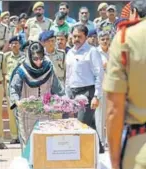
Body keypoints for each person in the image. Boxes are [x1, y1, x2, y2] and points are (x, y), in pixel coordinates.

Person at [103, 0, 146, 168]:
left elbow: (114, 110)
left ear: (133, 12)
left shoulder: (124, 38)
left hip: (139, 151)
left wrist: (115, 160)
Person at [9, 42, 64, 145]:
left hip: (46, 110)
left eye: (41, 58)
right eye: (35, 59)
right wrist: (17, 102)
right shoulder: (22, 70)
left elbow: (58, 88)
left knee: (46, 142)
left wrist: (65, 101)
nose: (39, 62)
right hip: (27, 112)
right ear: (30, 57)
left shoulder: (49, 68)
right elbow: (13, 88)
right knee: (29, 143)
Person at [65, 24, 104, 153]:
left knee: (81, 124)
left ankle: (81, 154)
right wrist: (67, 94)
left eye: (79, 36)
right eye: (74, 36)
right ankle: (100, 150)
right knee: (89, 124)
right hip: (73, 92)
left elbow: (99, 74)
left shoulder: (92, 52)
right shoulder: (70, 52)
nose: (76, 39)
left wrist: (97, 96)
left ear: (86, 37)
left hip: (88, 92)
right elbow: (68, 75)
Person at [5, 36, 26, 144]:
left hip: (22, 86)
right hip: (10, 86)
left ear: (20, 44)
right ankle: (14, 136)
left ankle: (23, 134)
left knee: (23, 110)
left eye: (17, 43)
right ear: (9, 45)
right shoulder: (6, 57)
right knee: (12, 110)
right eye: (12, 43)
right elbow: (4, 71)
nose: (14, 45)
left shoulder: (25, 56)